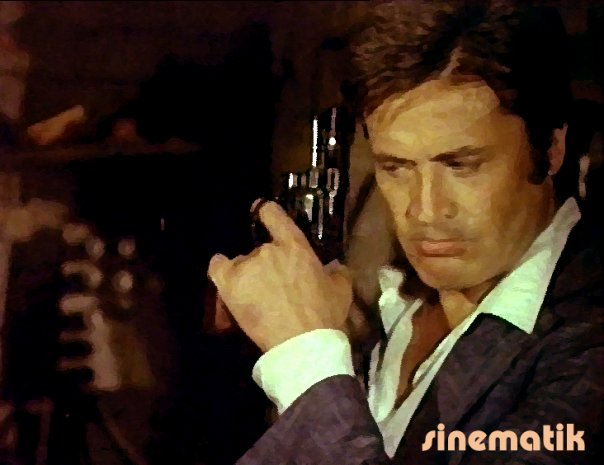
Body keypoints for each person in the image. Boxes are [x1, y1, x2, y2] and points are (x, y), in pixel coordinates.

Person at [208, 1, 604, 464]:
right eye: (396, 168)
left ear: (551, 148)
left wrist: (306, 358)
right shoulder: (391, 306)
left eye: (462, 166)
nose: (425, 210)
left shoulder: (588, 340)